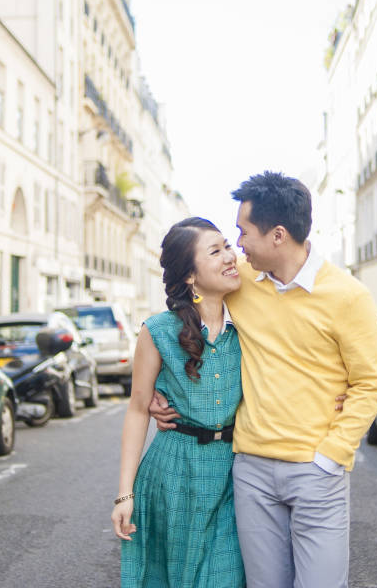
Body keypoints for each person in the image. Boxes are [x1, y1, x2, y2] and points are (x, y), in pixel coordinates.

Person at [153, 172, 377, 588]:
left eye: (243, 233)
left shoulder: (349, 297)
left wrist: (332, 454)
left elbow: (371, 384)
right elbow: (186, 312)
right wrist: (162, 388)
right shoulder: (239, 281)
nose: (236, 245)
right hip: (251, 472)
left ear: (278, 235)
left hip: (316, 470)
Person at [112, 217, 246, 587]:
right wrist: (124, 494)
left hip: (235, 471)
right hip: (173, 472)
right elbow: (139, 409)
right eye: (215, 251)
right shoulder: (157, 331)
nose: (230, 256)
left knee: (225, 575)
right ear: (189, 275)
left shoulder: (251, 319)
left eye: (228, 246)